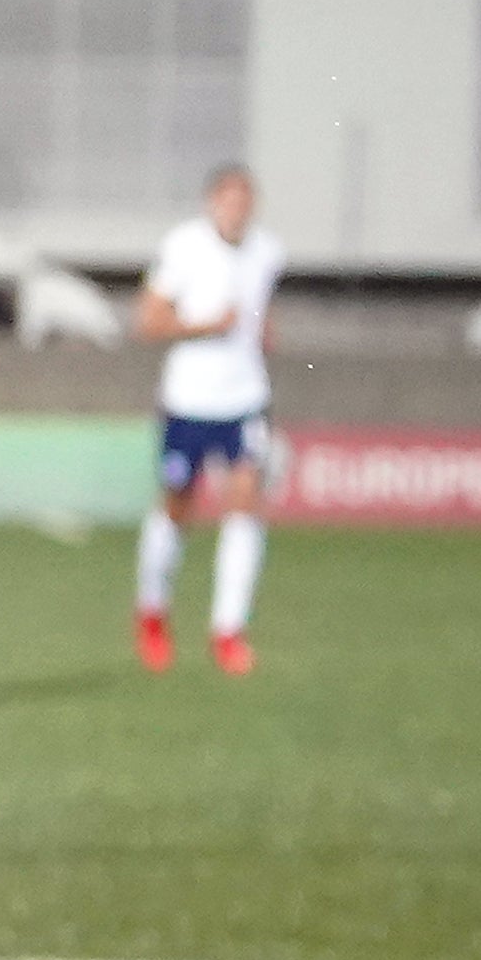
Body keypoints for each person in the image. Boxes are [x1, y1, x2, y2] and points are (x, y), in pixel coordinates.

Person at [135, 163, 281, 675]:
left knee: (245, 502)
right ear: (210, 203)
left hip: (245, 400)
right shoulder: (183, 247)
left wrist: (262, 338)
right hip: (189, 400)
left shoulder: (268, 252)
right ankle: (152, 611)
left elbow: (262, 313)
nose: (238, 209)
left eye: (246, 200)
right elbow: (149, 321)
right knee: (179, 505)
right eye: (229, 199)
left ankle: (229, 630)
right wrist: (206, 327)